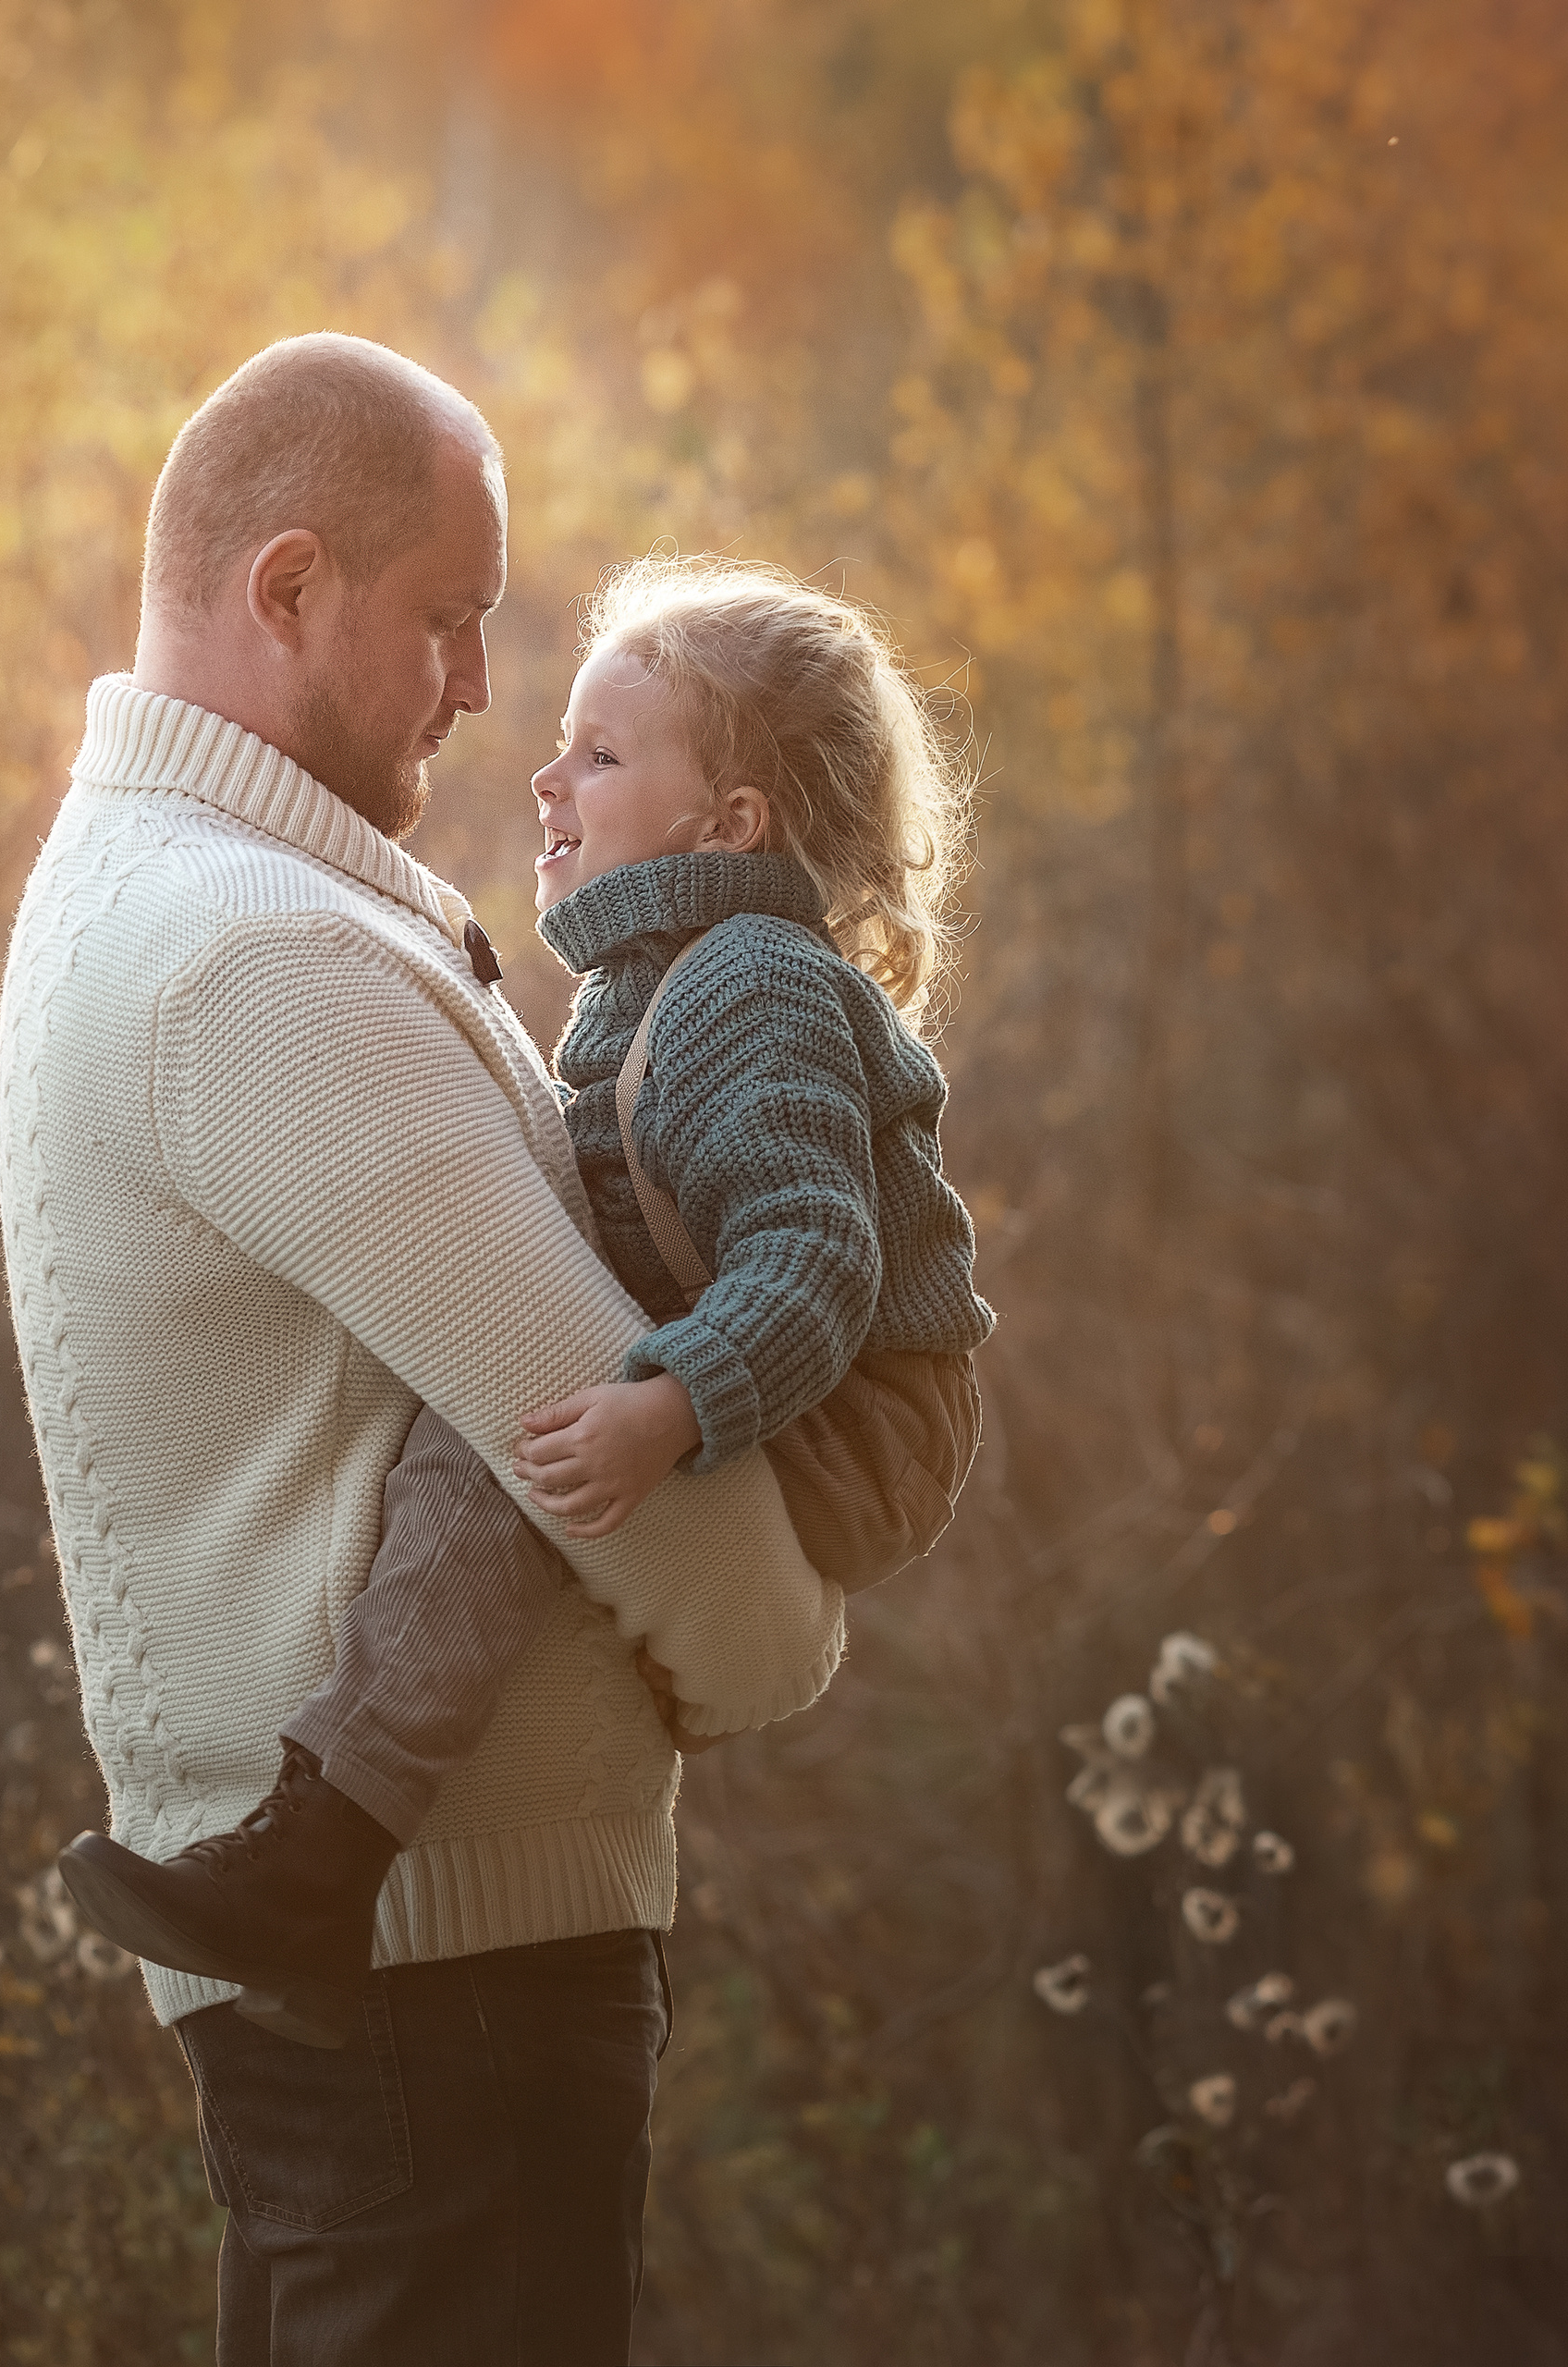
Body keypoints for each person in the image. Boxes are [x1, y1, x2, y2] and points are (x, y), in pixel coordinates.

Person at [0, 333, 845, 2367]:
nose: (480, 685)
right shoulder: (256, 955)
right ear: (283, 589)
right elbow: (577, 1408)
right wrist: (777, 1649)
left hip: (401, 1983)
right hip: (443, 1991)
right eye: (445, 621)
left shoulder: (193, 889)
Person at [61, 555, 995, 2058]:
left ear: (730, 825)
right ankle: (323, 1844)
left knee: (519, 1448)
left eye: (604, 755)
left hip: (861, 1415)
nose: (550, 776)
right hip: (760, 1356)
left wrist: (667, 1406)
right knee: (488, 1427)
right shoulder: (654, 981)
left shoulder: (750, 976)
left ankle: (322, 1847)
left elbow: (816, 1261)